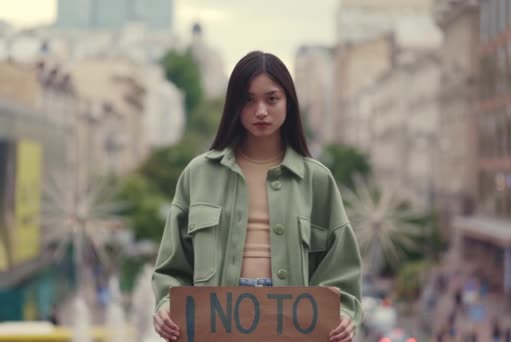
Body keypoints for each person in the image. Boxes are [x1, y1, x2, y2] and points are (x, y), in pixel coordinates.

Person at [151, 51, 362, 342]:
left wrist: (345, 314)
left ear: (288, 102)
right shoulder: (198, 174)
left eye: (272, 99)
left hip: (291, 328)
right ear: (234, 106)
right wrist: (165, 306)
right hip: (214, 326)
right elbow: (171, 267)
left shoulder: (317, 180)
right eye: (248, 100)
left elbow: (342, 269)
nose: (260, 110)